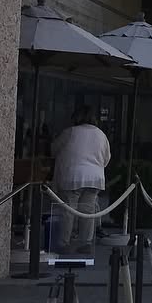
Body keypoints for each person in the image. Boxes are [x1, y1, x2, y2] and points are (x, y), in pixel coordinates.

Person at [51, 108, 111, 254]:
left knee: (68, 210)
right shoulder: (101, 135)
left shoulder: (70, 132)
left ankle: (64, 243)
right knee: (88, 210)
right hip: (94, 177)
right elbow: (107, 158)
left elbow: (53, 149)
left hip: (73, 176)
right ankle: (86, 243)